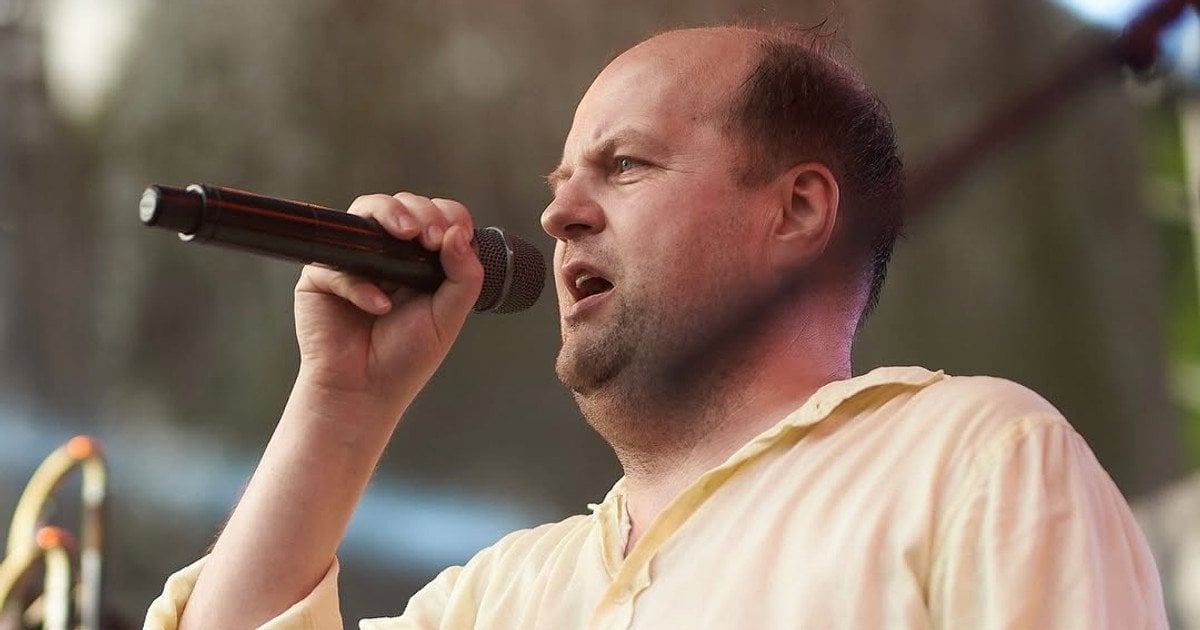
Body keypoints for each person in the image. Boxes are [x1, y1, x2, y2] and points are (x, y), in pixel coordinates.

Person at [145, 24, 1168, 629]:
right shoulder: (505, 594)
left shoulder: (970, 459)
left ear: (798, 210)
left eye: (624, 165)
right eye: (559, 182)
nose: (558, 215)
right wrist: (341, 405)